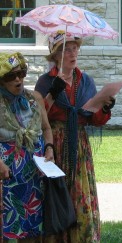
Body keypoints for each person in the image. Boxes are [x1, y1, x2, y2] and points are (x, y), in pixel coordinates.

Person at [35, 32, 115, 243]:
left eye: (75, 48)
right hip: (54, 143)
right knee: (57, 194)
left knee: (80, 194)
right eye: (66, 49)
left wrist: (105, 107)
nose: (72, 53)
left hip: (78, 143)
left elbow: (94, 118)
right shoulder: (45, 82)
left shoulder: (85, 80)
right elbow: (37, 117)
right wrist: (54, 92)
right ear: (55, 56)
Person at [0, 52, 54, 242]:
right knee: (8, 224)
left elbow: (47, 129)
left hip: (34, 172)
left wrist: (49, 148)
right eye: (10, 76)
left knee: (33, 225)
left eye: (21, 73)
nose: (17, 79)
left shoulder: (35, 98)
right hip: (7, 174)